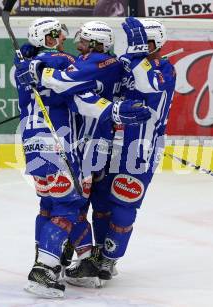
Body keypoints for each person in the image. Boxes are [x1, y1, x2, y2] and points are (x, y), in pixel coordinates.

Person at [14, 18, 151, 298]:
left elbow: (65, 88)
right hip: (57, 141)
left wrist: (31, 61)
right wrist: (113, 111)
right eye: (57, 37)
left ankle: (75, 261)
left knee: (50, 206)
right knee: (68, 206)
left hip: (31, 143)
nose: (67, 43)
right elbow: (81, 96)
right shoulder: (62, 61)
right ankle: (44, 270)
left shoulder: (21, 67)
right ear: (47, 39)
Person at [65, 17, 177, 287]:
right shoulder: (127, 63)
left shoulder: (165, 70)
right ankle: (95, 255)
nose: (140, 46)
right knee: (101, 203)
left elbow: (149, 83)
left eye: (146, 42)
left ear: (157, 43)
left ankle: (109, 259)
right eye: (138, 41)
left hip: (141, 148)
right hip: (111, 143)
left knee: (125, 205)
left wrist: (137, 55)